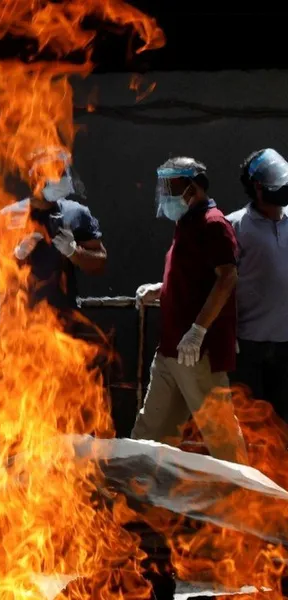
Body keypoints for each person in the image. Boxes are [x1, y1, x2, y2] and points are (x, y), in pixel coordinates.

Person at [133, 157, 247, 464]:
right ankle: (138, 496)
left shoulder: (213, 224)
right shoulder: (186, 223)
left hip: (197, 354)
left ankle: (244, 502)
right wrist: (162, 289)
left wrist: (197, 332)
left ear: (191, 189)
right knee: (150, 428)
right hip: (170, 349)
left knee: (220, 434)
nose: (165, 195)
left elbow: (227, 277)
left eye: (170, 188)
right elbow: (196, 277)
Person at [0, 148, 106, 323]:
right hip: (17, 322)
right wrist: (16, 256)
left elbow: (100, 263)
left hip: (63, 322)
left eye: (63, 172)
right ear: (36, 178)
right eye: (55, 172)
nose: (62, 178)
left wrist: (73, 252)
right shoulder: (9, 217)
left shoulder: (76, 214)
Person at [227, 148, 288, 428]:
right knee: (254, 428)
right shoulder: (235, 226)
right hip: (249, 346)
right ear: (258, 189)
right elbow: (216, 280)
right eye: (277, 185)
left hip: (286, 344)